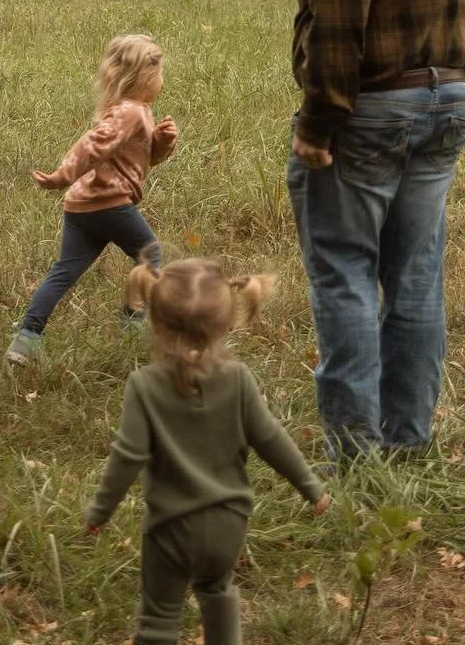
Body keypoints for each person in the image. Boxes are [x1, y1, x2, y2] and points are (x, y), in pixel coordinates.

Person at [249, 0, 465, 461]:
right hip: (448, 99)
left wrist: (319, 126)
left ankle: (354, 453)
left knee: (343, 273)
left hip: (372, 108)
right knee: (414, 280)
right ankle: (410, 443)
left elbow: (338, 26)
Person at [83, 258, 330, 645]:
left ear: (155, 322)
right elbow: (270, 438)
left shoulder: (144, 385)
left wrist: (100, 512)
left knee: (160, 616)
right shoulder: (238, 379)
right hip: (228, 524)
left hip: (170, 529)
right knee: (218, 591)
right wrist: (311, 487)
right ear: (226, 323)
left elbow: (128, 455)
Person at [5, 34, 177, 367]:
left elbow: (141, 160)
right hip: (109, 203)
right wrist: (63, 174)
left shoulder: (134, 111)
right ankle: (132, 316)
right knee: (150, 252)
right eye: (158, 74)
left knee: (64, 271)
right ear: (144, 77)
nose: (161, 81)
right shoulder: (131, 112)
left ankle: (27, 337)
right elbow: (92, 144)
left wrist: (161, 142)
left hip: (81, 206)